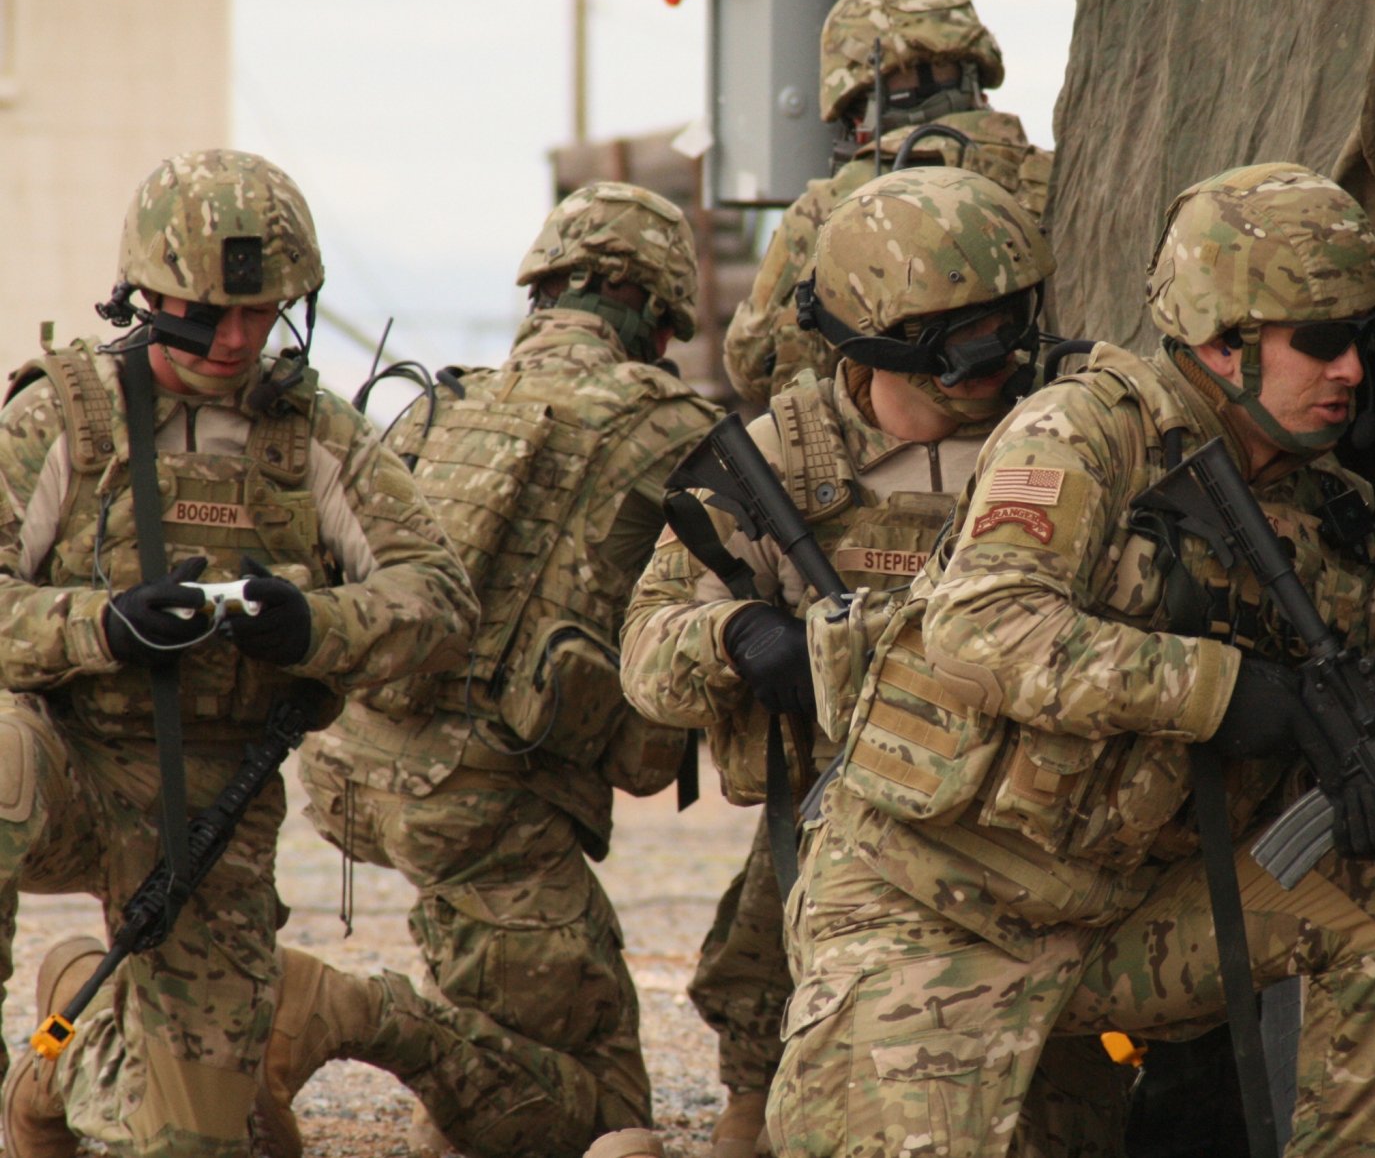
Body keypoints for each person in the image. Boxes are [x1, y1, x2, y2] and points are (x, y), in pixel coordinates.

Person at [768, 163, 1375, 1158]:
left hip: (1115, 915)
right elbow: (986, 627)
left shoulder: (1330, 518)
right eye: (1320, 341)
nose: (1352, 369)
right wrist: (1230, 695)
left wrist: (1344, 768)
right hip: (931, 905)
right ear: (1225, 343)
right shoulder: (1088, 431)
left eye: (1362, 339)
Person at [619, 166, 1127, 1158]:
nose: (989, 358)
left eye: (1003, 323)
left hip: (1040, 855)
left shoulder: (1071, 441)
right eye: (955, 333)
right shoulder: (778, 464)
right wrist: (736, 637)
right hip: (844, 855)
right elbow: (645, 649)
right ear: (875, 335)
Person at [0, 148, 477, 1158]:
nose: (238, 339)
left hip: (214, 809)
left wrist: (317, 629)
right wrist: (101, 626)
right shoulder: (62, 418)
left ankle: (56, 1055)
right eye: (211, 313)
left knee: (190, 1139)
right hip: (66, 766)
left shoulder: (312, 435)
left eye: (263, 315)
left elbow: (439, 599)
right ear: (146, 295)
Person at [294, 182, 722, 1157]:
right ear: (657, 316)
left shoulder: (446, 401)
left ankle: (442, 1074)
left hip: (359, 775)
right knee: (601, 1111)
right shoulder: (670, 426)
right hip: (489, 813)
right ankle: (348, 1014)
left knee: (530, 1016)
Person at [720, 0, 1052, 406]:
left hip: (883, 459)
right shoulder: (1053, 175)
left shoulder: (827, 207)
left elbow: (753, 365)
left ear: (854, 99)